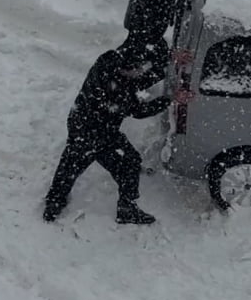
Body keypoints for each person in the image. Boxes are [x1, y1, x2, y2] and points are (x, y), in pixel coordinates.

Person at [43, 46, 171, 224]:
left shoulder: (108, 60)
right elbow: (139, 110)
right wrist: (170, 99)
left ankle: (54, 202)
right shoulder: (118, 91)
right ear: (127, 69)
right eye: (138, 70)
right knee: (128, 160)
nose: (141, 72)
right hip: (97, 132)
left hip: (80, 121)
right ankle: (126, 207)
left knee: (72, 161)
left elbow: (141, 78)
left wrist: (170, 60)